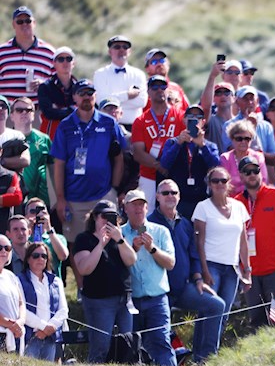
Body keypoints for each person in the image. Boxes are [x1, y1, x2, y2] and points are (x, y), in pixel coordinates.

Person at [149, 180, 227, 363]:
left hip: (183, 288)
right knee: (158, 330)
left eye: (174, 193)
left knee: (217, 305)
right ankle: (162, 362)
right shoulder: (149, 223)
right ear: (157, 197)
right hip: (157, 292)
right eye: (165, 193)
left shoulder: (185, 223)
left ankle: (206, 359)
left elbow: (193, 255)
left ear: (179, 196)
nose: (170, 196)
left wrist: (198, 279)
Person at [50, 79, 126, 243]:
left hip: (103, 195)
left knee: (110, 243)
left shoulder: (109, 123)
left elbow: (119, 158)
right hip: (74, 198)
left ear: (95, 96)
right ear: (74, 97)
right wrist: (60, 198)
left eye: (90, 93)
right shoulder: (65, 126)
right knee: (76, 244)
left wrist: (114, 189)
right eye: (81, 93)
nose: (86, 96)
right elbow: (59, 164)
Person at [232, 156, 275, 329]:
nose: (252, 174)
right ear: (241, 175)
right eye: (247, 171)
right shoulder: (236, 202)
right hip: (250, 272)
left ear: (261, 172)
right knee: (257, 323)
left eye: (255, 170)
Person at [73, 200, 136, 363]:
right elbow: (84, 268)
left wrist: (119, 239)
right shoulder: (84, 239)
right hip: (99, 300)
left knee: (127, 343)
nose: (108, 221)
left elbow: (131, 260)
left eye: (112, 216)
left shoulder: (120, 238)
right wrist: (101, 243)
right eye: (104, 216)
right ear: (95, 217)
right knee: (101, 346)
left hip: (124, 299)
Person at [120, 189, 177, 366]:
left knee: (161, 341)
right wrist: (133, 249)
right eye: (134, 205)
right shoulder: (119, 234)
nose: (138, 208)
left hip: (157, 299)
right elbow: (116, 266)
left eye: (141, 205)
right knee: (132, 347)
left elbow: (170, 263)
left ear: (147, 208)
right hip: (131, 301)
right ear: (126, 208)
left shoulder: (160, 231)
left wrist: (152, 248)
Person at [193, 166, 251, 329]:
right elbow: (199, 243)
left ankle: (215, 346)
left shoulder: (239, 207)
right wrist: (204, 270)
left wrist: (247, 269)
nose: (219, 184)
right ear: (209, 184)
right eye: (215, 181)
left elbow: (243, 241)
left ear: (229, 183)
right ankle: (202, 347)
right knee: (209, 312)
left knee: (224, 315)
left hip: (232, 268)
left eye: (223, 180)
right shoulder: (202, 207)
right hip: (211, 266)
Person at [158, 103, 221, 219]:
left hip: (201, 198)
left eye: (198, 117)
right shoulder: (172, 142)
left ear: (203, 122)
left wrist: (202, 146)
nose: (194, 120)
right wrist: (178, 144)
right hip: (178, 198)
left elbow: (216, 166)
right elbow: (164, 164)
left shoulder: (210, 145)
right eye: (190, 117)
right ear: (184, 120)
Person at [131, 75, 185, 202]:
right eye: (155, 87)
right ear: (148, 91)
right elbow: (138, 153)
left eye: (163, 86)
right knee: (148, 211)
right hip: (149, 176)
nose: (159, 89)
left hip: (177, 173)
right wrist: (160, 166)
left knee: (176, 210)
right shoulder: (140, 121)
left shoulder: (181, 116)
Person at [18, 241, 67, 361]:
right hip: (30, 337)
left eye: (44, 256)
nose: (40, 259)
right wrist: (43, 326)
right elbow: (21, 309)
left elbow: (63, 310)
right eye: (36, 256)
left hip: (50, 337)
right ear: (28, 259)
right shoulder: (18, 280)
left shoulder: (56, 281)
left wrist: (49, 328)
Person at [0, 7, 54, 109]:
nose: (24, 24)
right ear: (13, 25)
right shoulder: (2, 52)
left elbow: (59, 84)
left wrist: (45, 85)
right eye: (20, 22)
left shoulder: (49, 52)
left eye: (28, 21)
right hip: (8, 112)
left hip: (37, 112)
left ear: (34, 23)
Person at [93, 35, 147, 129]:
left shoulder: (139, 74)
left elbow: (141, 102)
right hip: (107, 126)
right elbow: (101, 101)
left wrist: (111, 101)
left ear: (129, 51)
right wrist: (127, 95)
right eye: (117, 47)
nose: (121, 50)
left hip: (134, 126)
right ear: (110, 51)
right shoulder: (100, 74)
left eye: (125, 47)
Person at [8, 97, 50, 208]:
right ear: (11, 115)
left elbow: (54, 169)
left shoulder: (44, 139)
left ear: (33, 115)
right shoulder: (4, 138)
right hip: (12, 198)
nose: (24, 113)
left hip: (40, 200)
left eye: (28, 110)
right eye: (19, 110)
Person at [37, 46, 77, 137]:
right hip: (52, 134)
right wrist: (73, 110)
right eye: (61, 59)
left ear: (74, 63)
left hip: (74, 134)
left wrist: (58, 109)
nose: (65, 62)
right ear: (54, 63)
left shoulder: (79, 87)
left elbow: (88, 110)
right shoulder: (45, 87)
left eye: (69, 59)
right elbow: (48, 113)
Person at [24, 199, 69, 279]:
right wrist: (26, 229)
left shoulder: (57, 238)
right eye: (33, 211)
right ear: (26, 216)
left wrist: (49, 229)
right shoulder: (22, 238)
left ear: (48, 215)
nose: (37, 215)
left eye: (42, 211)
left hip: (51, 282)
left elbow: (63, 256)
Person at [220, 120, 268, 194]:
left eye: (247, 139)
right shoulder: (225, 158)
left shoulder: (258, 157)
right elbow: (225, 185)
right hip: (233, 199)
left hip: (256, 196)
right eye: (239, 139)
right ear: (232, 139)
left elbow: (264, 180)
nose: (243, 142)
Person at [0, 233, 26, 354]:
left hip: (15, 333)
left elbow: (21, 303)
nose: (3, 251)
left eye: (7, 248)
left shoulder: (11, 276)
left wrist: (20, 322)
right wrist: (9, 324)